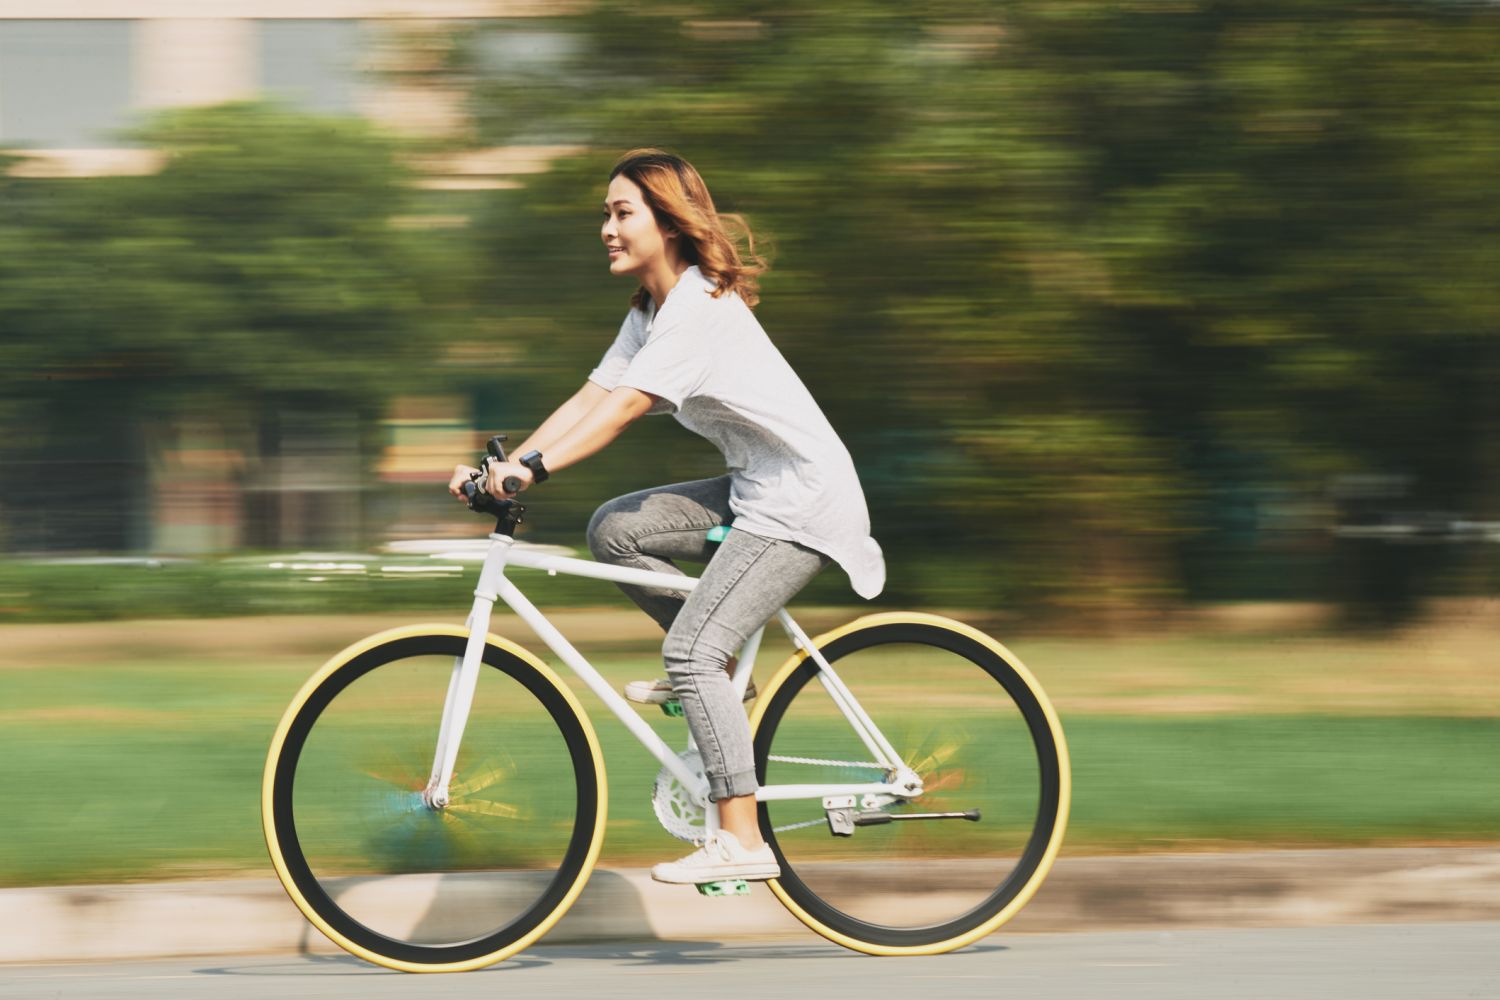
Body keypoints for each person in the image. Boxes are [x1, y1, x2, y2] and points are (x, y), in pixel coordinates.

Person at [448, 148, 884, 885]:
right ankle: (723, 682)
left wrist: (537, 468)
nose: (606, 229)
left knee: (689, 650)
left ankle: (742, 839)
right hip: (757, 488)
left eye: (622, 214)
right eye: (606, 215)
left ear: (668, 223)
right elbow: (591, 396)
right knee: (615, 530)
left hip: (800, 503)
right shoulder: (652, 309)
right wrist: (506, 467)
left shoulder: (697, 309)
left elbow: (622, 411)